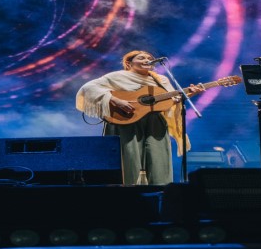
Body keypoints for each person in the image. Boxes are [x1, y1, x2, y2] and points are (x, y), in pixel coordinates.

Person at [75, 50, 204, 185]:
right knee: (127, 159)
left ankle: (160, 194)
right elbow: (88, 88)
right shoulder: (117, 76)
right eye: (141, 58)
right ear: (128, 63)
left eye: (149, 58)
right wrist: (115, 100)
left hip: (155, 122)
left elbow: (172, 100)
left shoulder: (161, 80)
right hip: (126, 121)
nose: (147, 60)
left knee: (158, 160)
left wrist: (190, 94)